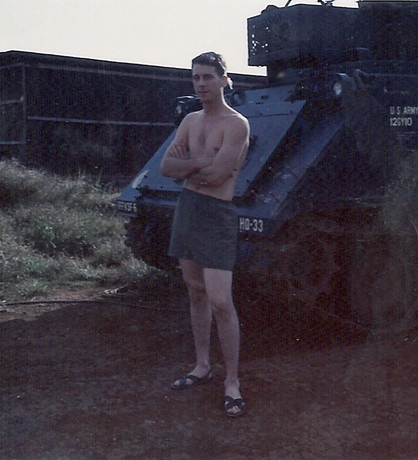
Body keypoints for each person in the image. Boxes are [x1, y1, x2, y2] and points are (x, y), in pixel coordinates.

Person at [160, 51, 250, 417]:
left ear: (224, 80)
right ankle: (202, 365)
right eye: (196, 78)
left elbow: (216, 178)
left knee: (220, 302)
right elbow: (166, 167)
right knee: (195, 292)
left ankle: (233, 382)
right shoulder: (189, 121)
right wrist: (200, 164)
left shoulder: (237, 124)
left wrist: (190, 166)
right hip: (188, 210)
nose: (201, 84)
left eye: (208, 77)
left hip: (216, 214)